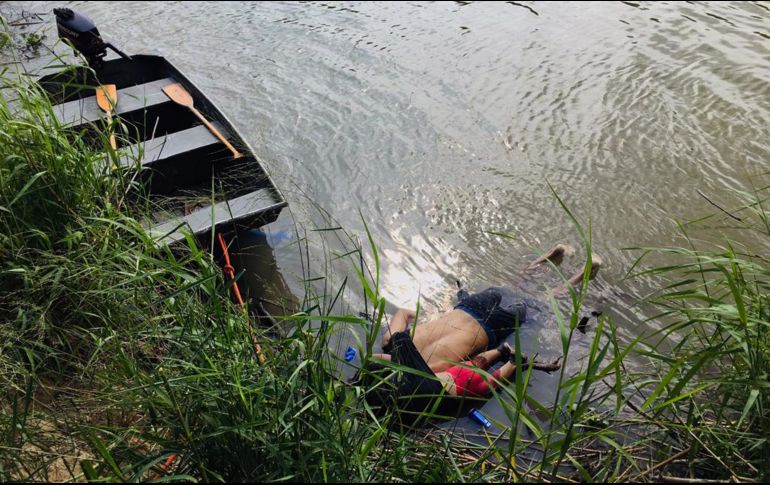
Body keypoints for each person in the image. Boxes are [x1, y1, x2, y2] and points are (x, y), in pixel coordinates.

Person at [379, 244, 602, 373]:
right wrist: (432, 319)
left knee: (543, 300)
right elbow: (404, 313)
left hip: (491, 326)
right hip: (471, 306)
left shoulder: (428, 370)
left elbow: (475, 363)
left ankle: (582, 275)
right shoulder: (391, 340)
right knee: (516, 284)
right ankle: (555, 253)